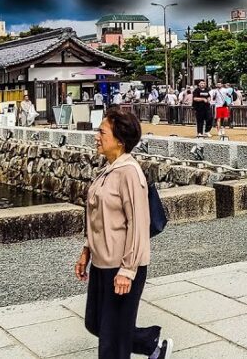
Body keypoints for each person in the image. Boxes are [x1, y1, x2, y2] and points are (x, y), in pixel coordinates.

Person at [75, 108, 172, 359]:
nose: (96, 136)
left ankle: (149, 344)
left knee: (112, 343)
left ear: (119, 139)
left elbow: (139, 225)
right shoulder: (110, 169)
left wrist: (128, 271)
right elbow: (99, 217)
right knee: (96, 323)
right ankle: (150, 343)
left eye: (101, 131)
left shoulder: (129, 173)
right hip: (101, 262)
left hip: (121, 265)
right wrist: (86, 250)